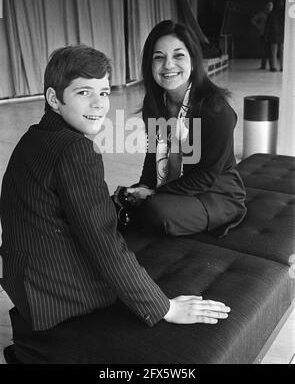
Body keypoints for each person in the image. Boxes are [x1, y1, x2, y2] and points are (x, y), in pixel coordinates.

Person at [0, 45, 230, 364]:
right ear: (54, 98)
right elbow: (104, 244)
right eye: (84, 92)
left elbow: (54, 209)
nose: (99, 104)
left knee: (134, 220)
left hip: (23, 278)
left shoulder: (33, 137)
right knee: (136, 247)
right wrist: (166, 307)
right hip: (56, 293)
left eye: (105, 92)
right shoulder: (76, 152)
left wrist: (113, 201)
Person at [114, 20, 247, 238]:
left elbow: (206, 176)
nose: (168, 65)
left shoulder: (216, 110)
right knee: (121, 199)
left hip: (216, 195)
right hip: (174, 189)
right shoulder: (154, 103)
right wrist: (142, 187)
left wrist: (153, 194)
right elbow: (152, 155)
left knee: (156, 211)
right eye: (159, 57)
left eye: (178, 56)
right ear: (150, 65)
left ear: (193, 62)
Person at [264, 0, 285, 72]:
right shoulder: (284, 14)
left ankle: (274, 67)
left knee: (273, 52)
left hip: (273, 35)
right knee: (282, 52)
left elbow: (267, 26)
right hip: (282, 34)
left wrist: (266, 36)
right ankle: (283, 67)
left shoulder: (271, 14)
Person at [251, 1, 273, 70]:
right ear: (266, 6)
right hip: (263, 34)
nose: (269, 7)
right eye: (268, 5)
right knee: (264, 51)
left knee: (271, 51)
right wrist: (259, 26)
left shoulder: (273, 14)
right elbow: (253, 20)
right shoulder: (262, 14)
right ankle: (263, 66)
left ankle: (272, 66)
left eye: (271, 5)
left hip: (271, 35)